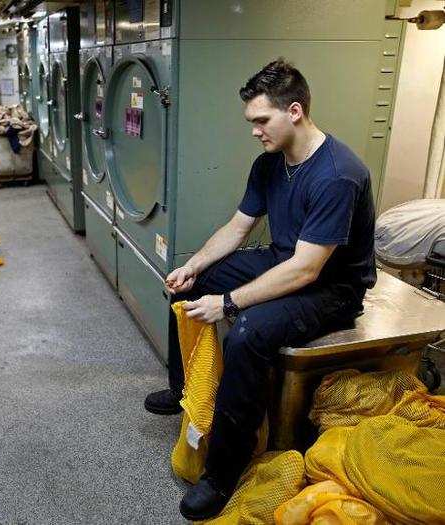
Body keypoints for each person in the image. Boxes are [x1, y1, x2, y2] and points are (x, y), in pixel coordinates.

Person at [143, 59, 377, 521]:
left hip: (332, 286)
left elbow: (308, 270)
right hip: (287, 259)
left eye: (261, 121)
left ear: (294, 111)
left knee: (247, 333)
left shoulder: (337, 174)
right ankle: (183, 390)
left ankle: (221, 474)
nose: (254, 131)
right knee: (188, 292)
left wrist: (229, 303)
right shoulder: (270, 164)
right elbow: (238, 227)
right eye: (251, 122)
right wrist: (193, 266)